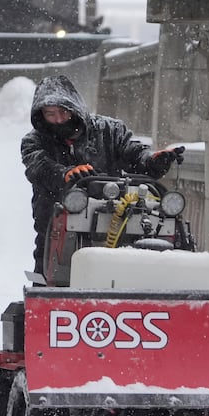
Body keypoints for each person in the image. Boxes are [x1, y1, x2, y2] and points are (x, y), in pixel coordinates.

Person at [21, 75, 185, 275]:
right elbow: (38, 166)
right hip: (55, 226)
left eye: (63, 112)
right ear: (41, 115)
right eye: (50, 114)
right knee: (50, 273)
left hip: (114, 218)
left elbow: (135, 155)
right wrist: (64, 174)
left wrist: (152, 161)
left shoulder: (110, 130)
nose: (58, 119)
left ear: (75, 108)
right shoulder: (33, 141)